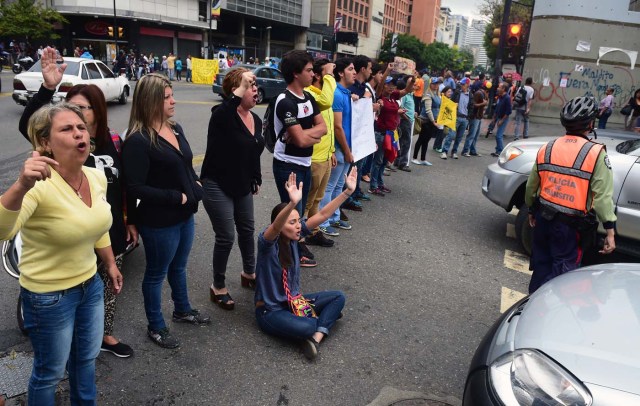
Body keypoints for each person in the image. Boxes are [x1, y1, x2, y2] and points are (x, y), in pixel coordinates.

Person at [18, 47, 137, 358]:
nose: (77, 115)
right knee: (68, 296)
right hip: (67, 235)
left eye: (83, 109)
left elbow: (123, 185)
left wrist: (129, 219)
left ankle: (103, 336)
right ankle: (57, 335)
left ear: (97, 110)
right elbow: (30, 127)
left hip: (104, 227)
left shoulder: (113, 140)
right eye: (71, 108)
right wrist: (47, 88)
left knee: (108, 290)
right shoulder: (57, 143)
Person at [1, 103, 123, 404]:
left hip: (90, 286)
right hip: (48, 297)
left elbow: (98, 223)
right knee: (50, 372)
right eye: (67, 129)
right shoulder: (38, 185)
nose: (78, 133)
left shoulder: (95, 177)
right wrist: (21, 185)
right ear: (45, 143)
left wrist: (109, 262)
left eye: (81, 127)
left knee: (86, 360)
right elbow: (3, 231)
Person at [122, 73, 210, 349]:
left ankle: (182, 310)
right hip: (160, 221)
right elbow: (134, 187)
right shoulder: (138, 140)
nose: (174, 101)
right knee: (156, 274)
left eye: (173, 95)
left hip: (185, 215)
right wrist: (177, 196)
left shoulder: (176, 128)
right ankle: (156, 326)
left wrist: (195, 182)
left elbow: (185, 163)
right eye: (167, 97)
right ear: (150, 101)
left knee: (179, 267)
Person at [255, 170, 353, 360]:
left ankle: (316, 337)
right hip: (271, 312)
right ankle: (319, 322)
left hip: (294, 302)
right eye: (292, 222)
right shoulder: (267, 244)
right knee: (308, 324)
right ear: (280, 225)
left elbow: (323, 213)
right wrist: (292, 202)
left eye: (298, 221)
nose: (298, 225)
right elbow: (275, 227)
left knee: (338, 297)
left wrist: (347, 192)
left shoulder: (295, 238)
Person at [524, 96, 616, 293]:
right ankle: (552, 318)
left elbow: (532, 186)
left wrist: (532, 209)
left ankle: (532, 310)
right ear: (590, 124)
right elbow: (602, 198)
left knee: (541, 268)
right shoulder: (595, 153)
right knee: (562, 279)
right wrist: (610, 230)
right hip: (570, 229)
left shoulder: (547, 147)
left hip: (543, 219)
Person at [201, 69, 264, 311]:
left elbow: (253, 151)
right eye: (250, 85)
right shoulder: (222, 114)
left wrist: (255, 177)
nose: (255, 89)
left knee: (247, 230)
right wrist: (239, 88)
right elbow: (227, 110)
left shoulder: (255, 119)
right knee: (226, 236)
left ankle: (249, 273)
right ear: (236, 91)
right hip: (216, 183)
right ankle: (218, 286)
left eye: (255, 84)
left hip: (241, 184)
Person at [271, 50, 327, 268]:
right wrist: (310, 136)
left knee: (299, 211)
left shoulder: (309, 97)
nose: (313, 75)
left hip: (304, 163)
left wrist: (308, 135)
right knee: (290, 212)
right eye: (309, 70)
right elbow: (301, 140)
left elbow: (322, 129)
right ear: (295, 73)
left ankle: (294, 246)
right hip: (287, 165)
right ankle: (287, 253)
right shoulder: (285, 101)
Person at [317, 57, 357, 236]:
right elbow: (337, 126)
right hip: (339, 149)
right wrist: (347, 151)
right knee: (330, 186)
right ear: (340, 73)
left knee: (339, 185)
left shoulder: (345, 93)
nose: (354, 72)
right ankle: (323, 221)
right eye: (350, 69)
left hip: (346, 148)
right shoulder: (337, 94)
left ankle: (333, 216)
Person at [303, 59, 337, 248]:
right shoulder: (310, 94)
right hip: (314, 157)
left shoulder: (323, 92)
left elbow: (329, 126)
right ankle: (297, 238)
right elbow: (327, 102)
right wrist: (330, 76)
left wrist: (331, 150)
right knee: (306, 203)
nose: (333, 73)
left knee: (317, 199)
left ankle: (313, 232)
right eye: (329, 70)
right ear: (317, 75)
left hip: (325, 156)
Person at [413, 77, 441, 166]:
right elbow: (428, 110)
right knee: (421, 139)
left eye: (437, 83)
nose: (436, 85)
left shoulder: (437, 94)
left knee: (426, 140)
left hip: (432, 121)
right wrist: (433, 121)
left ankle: (423, 159)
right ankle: (414, 158)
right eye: (434, 83)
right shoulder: (428, 95)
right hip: (426, 121)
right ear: (430, 84)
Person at [441, 77, 471, 160]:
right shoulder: (457, 93)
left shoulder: (470, 94)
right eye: (461, 84)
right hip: (456, 116)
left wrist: (468, 117)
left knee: (459, 137)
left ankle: (454, 152)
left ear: (467, 85)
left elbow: (471, 106)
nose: (461, 85)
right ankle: (444, 151)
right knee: (451, 135)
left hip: (465, 118)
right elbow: (450, 103)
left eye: (463, 84)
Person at [461, 80, 490, 157]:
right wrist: (483, 103)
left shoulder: (483, 94)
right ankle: (465, 150)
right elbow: (473, 105)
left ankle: (472, 150)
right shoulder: (479, 93)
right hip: (475, 116)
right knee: (472, 134)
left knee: (475, 135)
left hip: (478, 116)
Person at [490, 83, 512, 157]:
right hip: (498, 117)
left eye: (499, 87)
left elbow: (508, 111)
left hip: (503, 118)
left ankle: (501, 151)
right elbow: (497, 107)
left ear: (503, 89)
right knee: (498, 135)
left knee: (499, 135)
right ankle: (497, 150)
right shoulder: (500, 97)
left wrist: (502, 120)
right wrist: (494, 117)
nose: (497, 88)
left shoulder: (507, 98)